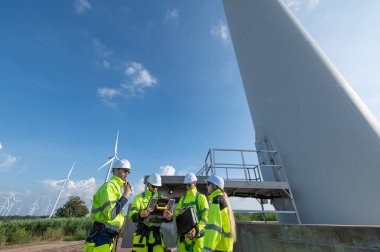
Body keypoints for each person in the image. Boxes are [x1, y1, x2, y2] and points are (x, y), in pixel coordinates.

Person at [83, 159, 133, 252]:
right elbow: (111, 214)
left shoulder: (116, 188)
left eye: (128, 172)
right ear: (116, 170)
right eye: (125, 171)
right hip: (100, 237)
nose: (127, 174)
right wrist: (125, 195)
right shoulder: (109, 187)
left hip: (107, 236)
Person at [129, 173, 173, 252]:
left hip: (157, 236)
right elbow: (132, 216)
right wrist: (140, 215)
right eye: (153, 186)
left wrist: (169, 218)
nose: (155, 188)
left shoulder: (163, 199)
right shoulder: (139, 198)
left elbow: (167, 220)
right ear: (148, 184)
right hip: (142, 234)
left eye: (157, 187)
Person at [174, 173, 209, 252]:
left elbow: (206, 216)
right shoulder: (182, 199)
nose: (187, 187)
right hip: (184, 239)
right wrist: (179, 212)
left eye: (189, 185)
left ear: (194, 183)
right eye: (186, 185)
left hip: (198, 238)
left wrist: (196, 229)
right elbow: (176, 212)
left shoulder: (201, 197)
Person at [202, 175, 236, 252]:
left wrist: (207, 249)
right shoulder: (223, 199)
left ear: (214, 185)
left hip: (218, 247)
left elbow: (214, 228)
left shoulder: (216, 200)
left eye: (208, 184)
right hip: (225, 246)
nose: (207, 186)